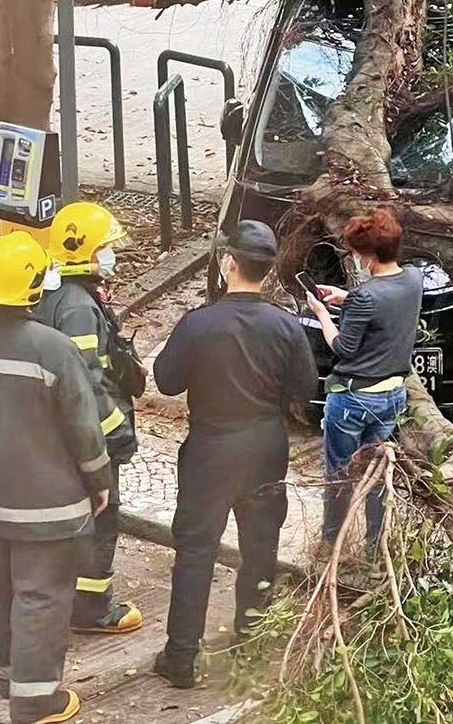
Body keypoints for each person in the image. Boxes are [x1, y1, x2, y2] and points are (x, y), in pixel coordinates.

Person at [0, 233, 113, 724]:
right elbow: (83, 425)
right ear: (35, 286)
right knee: (40, 596)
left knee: (0, 587)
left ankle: (9, 673)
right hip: (49, 509)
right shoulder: (52, 349)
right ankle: (35, 701)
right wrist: (99, 480)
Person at [151, 220, 317, 689]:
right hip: (264, 446)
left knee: (195, 551)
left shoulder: (198, 324)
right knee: (260, 549)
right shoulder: (286, 326)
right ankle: (250, 644)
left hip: (209, 449)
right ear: (267, 271)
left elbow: (165, 381)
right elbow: (304, 391)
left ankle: (181, 657)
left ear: (229, 263)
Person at [36, 202, 142, 635]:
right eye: (104, 248)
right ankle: (93, 609)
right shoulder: (77, 307)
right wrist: (119, 434)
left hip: (55, 437)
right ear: (83, 252)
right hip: (88, 438)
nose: (110, 255)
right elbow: (88, 381)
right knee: (102, 518)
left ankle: (61, 600)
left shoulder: (56, 292)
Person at [305, 208, 423, 551]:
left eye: (355, 252)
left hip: (354, 400)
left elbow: (343, 346)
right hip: (392, 397)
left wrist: (323, 313)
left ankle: (330, 544)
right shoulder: (412, 279)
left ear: (366, 255)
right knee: (376, 476)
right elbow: (382, 314)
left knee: (339, 475)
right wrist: (345, 300)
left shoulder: (366, 296)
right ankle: (375, 546)